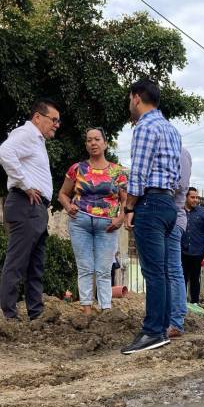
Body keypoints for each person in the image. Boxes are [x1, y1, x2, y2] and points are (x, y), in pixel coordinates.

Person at [121, 79, 181, 354]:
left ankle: (153, 331)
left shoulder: (144, 127)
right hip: (168, 203)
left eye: (129, 99)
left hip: (152, 203)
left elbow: (138, 174)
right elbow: (177, 175)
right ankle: (163, 327)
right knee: (165, 271)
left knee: (153, 271)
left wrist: (129, 207)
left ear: (136, 98)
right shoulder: (171, 130)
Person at [0, 98, 60, 321]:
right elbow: (4, 153)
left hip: (36, 208)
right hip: (26, 204)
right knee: (17, 262)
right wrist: (25, 184)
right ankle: (9, 316)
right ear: (37, 117)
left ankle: (36, 313)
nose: (56, 124)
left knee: (35, 265)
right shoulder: (27, 134)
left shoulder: (37, 141)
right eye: (53, 119)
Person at [58, 128, 127, 315]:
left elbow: (125, 200)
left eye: (97, 139)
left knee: (104, 270)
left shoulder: (117, 171)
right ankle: (86, 309)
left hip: (108, 226)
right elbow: (63, 194)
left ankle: (106, 310)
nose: (93, 143)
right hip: (80, 222)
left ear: (105, 143)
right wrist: (67, 205)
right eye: (89, 140)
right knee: (85, 267)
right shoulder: (77, 169)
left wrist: (121, 218)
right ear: (86, 145)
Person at [166, 148, 192, 338]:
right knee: (167, 271)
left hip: (172, 218)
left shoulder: (178, 152)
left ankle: (176, 321)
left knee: (173, 270)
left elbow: (179, 186)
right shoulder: (176, 151)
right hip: (170, 217)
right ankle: (170, 319)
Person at [182, 187, 204, 304]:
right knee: (182, 278)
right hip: (182, 251)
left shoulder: (202, 212)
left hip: (197, 252)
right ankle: (181, 303)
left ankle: (195, 302)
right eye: (192, 197)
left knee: (195, 279)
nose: (195, 200)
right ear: (186, 197)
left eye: (197, 197)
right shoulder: (180, 212)